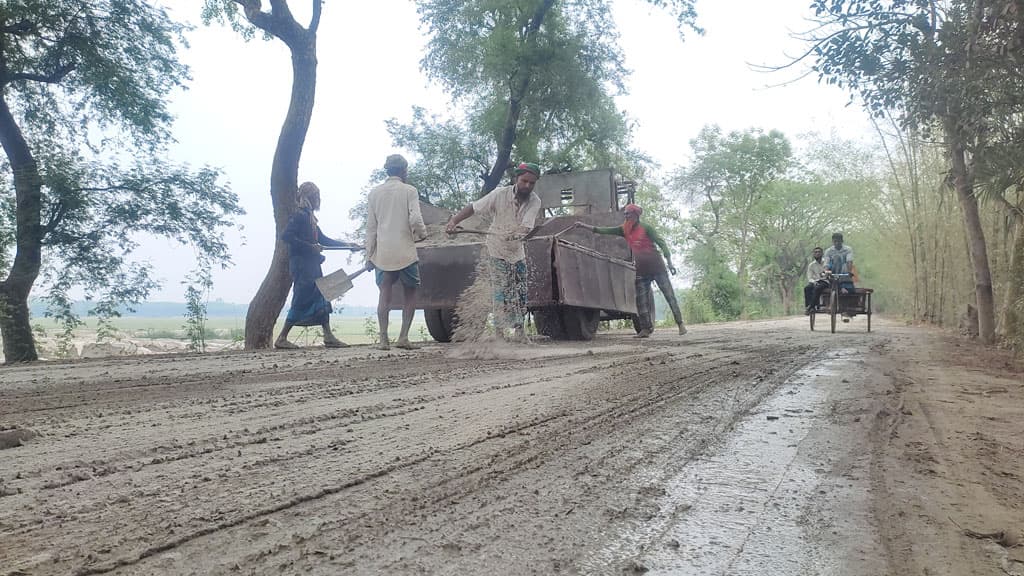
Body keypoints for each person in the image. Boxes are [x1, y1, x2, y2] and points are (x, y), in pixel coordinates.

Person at [445, 162, 542, 342]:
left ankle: (520, 332)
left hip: (517, 251)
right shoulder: (499, 194)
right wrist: (454, 221)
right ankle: (499, 333)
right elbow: (473, 207)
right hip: (496, 249)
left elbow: (526, 227)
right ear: (516, 178)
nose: (527, 186)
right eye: (524, 181)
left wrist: (516, 234)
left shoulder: (535, 201)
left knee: (520, 292)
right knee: (500, 291)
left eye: (531, 183)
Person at [574, 204, 686, 338]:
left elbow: (661, 243)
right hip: (641, 270)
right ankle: (645, 329)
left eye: (628, 214)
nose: (626, 216)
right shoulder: (624, 229)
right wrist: (583, 226)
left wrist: (670, 263)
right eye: (625, 214)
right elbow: (604, 230)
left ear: (636, 215)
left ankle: (680, 324)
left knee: (669, 295)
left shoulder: (646, 228)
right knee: (640, 301)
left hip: (657, 267)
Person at [275, 181, 361, 350]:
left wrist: (348, 245)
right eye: (316, 197)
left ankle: (328, 336)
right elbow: (286, 237)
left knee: (322, 296)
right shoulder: (299, 216)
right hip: (302, 266)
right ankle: (282, 337)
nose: (318, 200)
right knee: (301, 299)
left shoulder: (309, 218)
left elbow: (323, 240)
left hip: (311, 265)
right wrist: (310, 247)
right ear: (310, 197)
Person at [365, 154, 428, 350]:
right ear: (404, 171)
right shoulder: (410, 191)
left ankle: (383, 340)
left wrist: (369, 255)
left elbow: (371, 228)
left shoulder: (374, 194)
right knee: (410, 293)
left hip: (383, 253)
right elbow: (416, 219)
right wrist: (422, 234)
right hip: (405, 252)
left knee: (384, 293)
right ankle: (403, 338)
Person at [804, 246, 829, 315]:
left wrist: (825, 275)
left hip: (825, 281)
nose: (817, 253)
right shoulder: (811, 265)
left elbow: (827, 274)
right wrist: (814, 282)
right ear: (813, 254)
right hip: (814, 281)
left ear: (822, 253)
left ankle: (810, 306)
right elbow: (810, 277)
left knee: (817, 288)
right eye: (815, 252)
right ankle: (809, 306)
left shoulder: (826, 263)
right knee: (807, 288)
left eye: (819, 252)